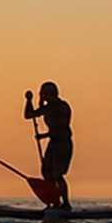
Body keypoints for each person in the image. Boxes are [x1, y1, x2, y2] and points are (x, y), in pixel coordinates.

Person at [24, 81, 73, 210]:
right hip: (54, 143)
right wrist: (29, 100)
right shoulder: (48, 107)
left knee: (57, 174)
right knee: (47, 173)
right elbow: (29, 115)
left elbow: (60, 129)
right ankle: (55, 201)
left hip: (63, 143)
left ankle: (66, 203)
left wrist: (43, 136)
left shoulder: (61, 107)